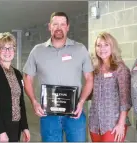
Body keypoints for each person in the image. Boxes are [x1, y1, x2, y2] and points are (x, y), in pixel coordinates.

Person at [23, 12, 94, 142]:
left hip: (75, 113)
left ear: (68, 27)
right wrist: (34, 101)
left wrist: (82, 102)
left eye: (62, 24)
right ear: (49, 26)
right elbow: (28, 78)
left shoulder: (80, 49)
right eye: (55, 24)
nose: (58, 27)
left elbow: (90, 79)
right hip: (48, 114)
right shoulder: (37, 51)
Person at [0, 32, 30, 142]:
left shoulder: (18, 74)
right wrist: (1, 131)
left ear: (14, 50)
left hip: (14, 126)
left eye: (10, 48)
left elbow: (20, 102)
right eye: (3, 48)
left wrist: (25, 127)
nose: (7, 51)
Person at [89, 32, 132, 142]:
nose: (102, 48)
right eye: (98, 45)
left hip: (113, 124)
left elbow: (125, 100)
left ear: (112, 47)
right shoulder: (95, 69)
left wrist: (121, 124)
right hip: (95, 124)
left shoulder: (120, 69)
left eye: (106, 45)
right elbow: (91, 93)